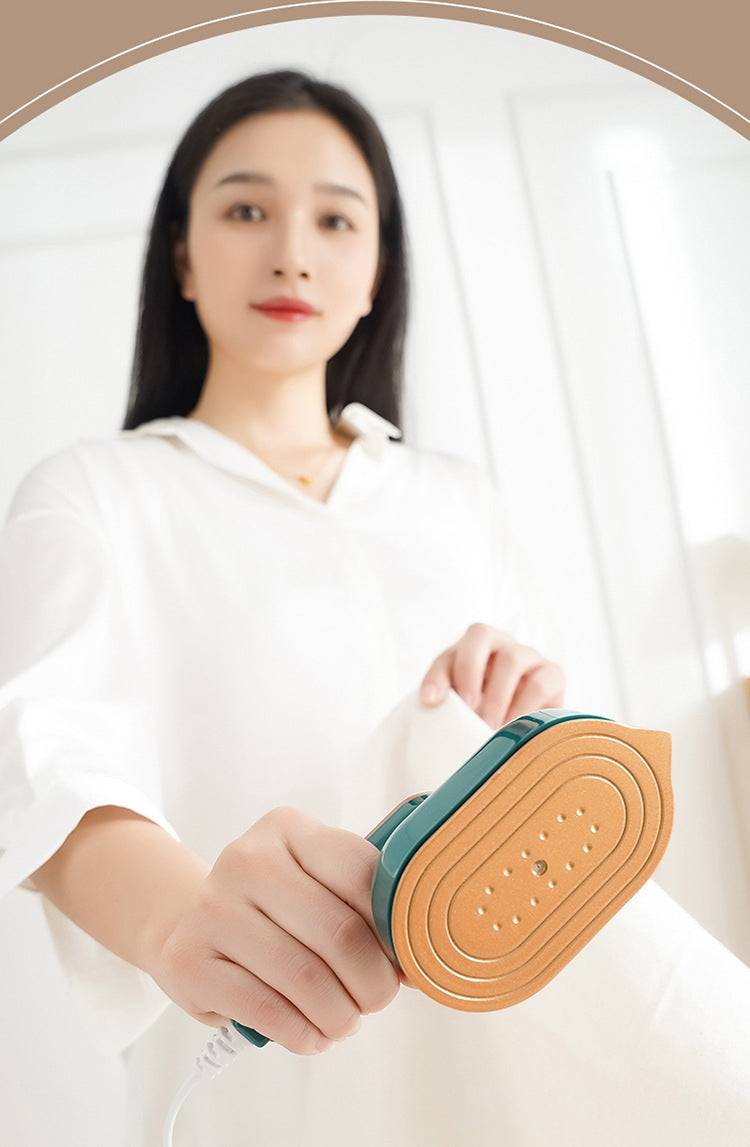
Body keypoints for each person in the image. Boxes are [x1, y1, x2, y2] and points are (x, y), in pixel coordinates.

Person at [0, 70, 564, 1145]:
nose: (293, 253)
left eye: (336, 220)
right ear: (182, 255)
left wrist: (528, 724)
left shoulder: (459, 503)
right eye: (247, 209)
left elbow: (540, 799)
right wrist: (185, 924)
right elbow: (47, 771)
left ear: (377, 271)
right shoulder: (92, 494)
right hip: (253, 1077)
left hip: (501, 1057)